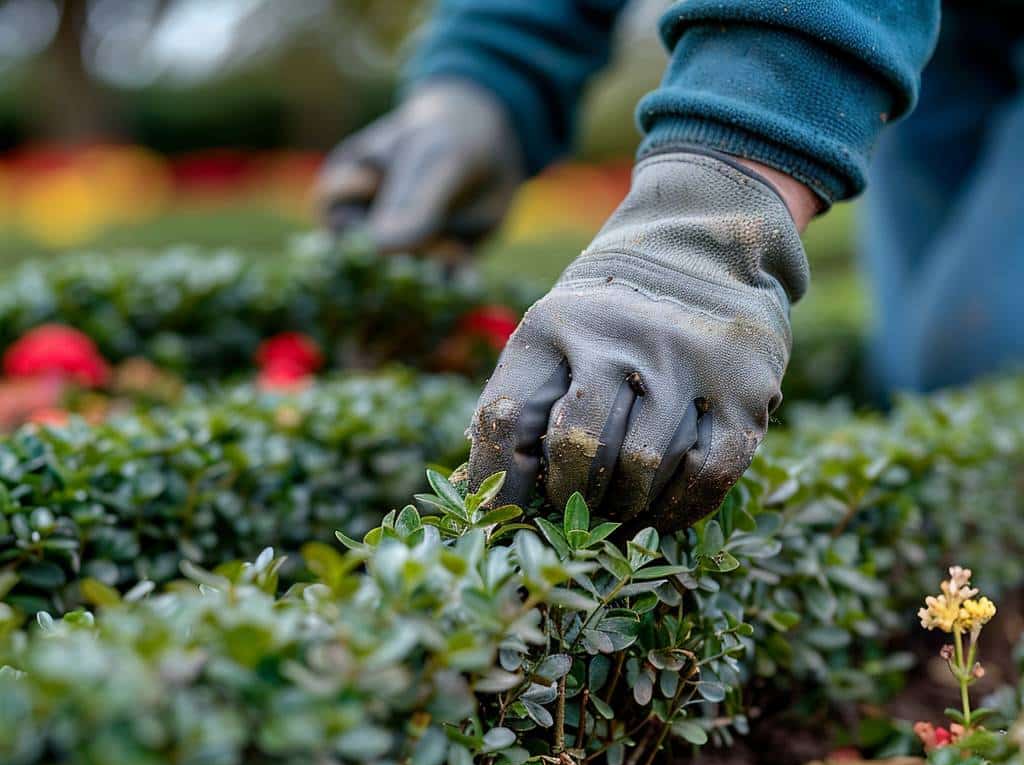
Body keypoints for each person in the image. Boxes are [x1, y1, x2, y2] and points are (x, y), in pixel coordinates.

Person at [316, 1, 1023, 532]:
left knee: (982, 364)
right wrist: (488, 69)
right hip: (952, 37)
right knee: (922, 382)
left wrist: (723, 189)